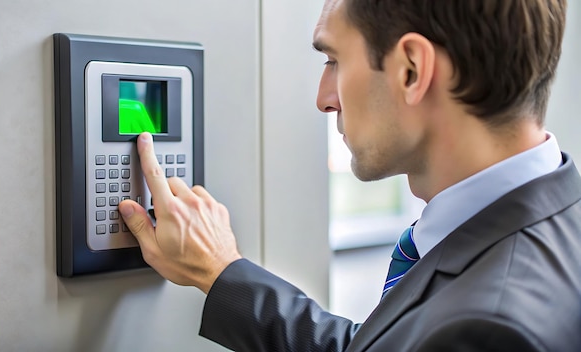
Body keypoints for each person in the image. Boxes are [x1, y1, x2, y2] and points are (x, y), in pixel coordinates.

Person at [118, 0, 581, 350]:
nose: (324, 98)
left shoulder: (493, 328)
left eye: (334, 60)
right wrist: (221, 272)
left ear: (411, 70)